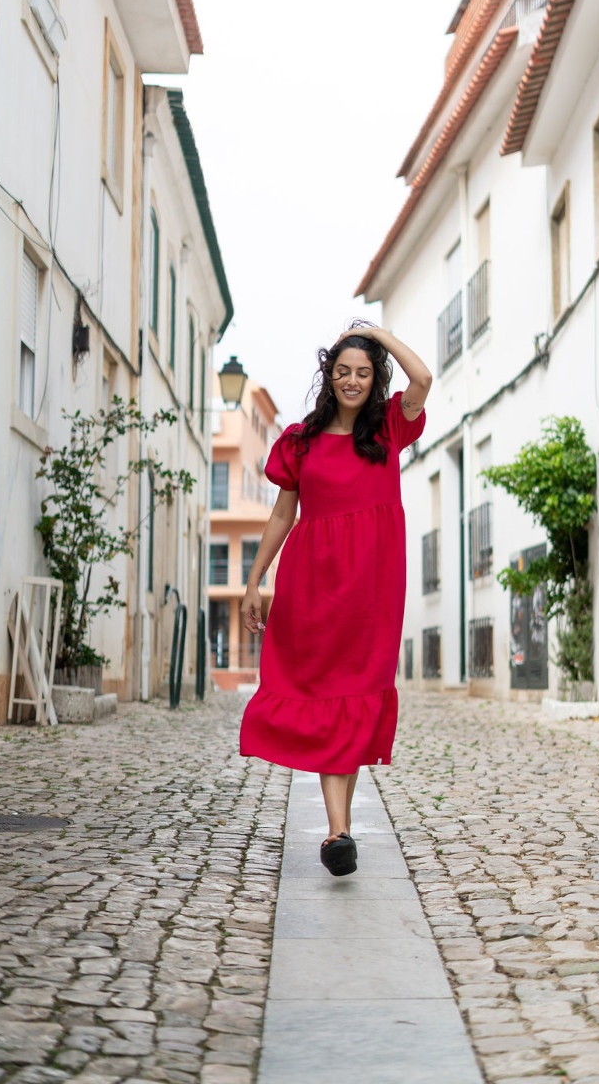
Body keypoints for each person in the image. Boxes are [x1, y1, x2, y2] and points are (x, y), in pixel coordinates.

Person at [239, 324, 431, 876]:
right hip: (314, 585)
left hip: (373, 589)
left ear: (375, 380)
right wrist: (255, 581)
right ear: (329, 377)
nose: (352, 381)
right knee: (327, 695)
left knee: (358, 695)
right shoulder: (301, 441)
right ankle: (338, 831)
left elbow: (423, 378)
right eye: (343, 371)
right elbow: (283, 513)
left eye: (363, 373)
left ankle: (339, 830)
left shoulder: (391, 427)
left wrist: (375, 333)